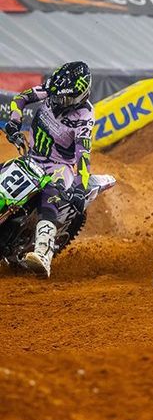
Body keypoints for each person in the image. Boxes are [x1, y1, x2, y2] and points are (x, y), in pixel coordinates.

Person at [3, 62, 93, 277]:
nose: (59, 102)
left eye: (66, 99)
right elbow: (21, 98)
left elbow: (83, 154)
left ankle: (43, 253)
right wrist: (14, 121)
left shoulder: (84, 117)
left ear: (80, 96)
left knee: (50, 194)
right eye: (57, 96)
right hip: (32, 156)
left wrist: (81, 187)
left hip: (59, 167)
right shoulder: (54, 89)